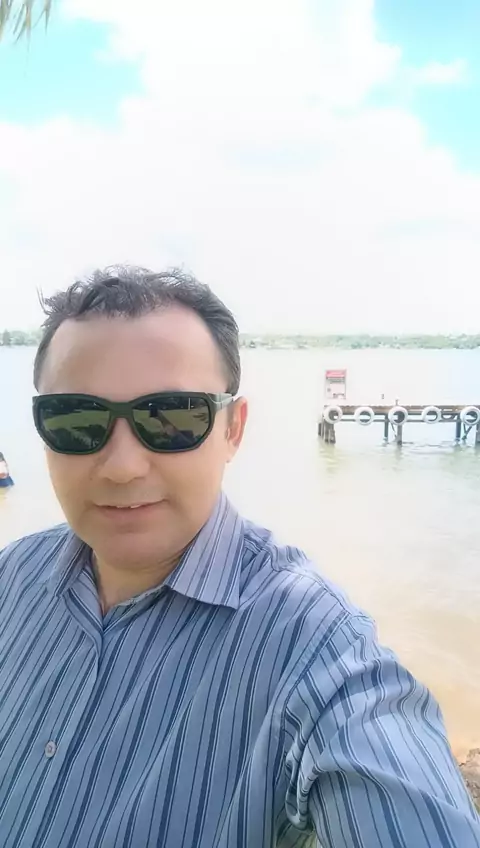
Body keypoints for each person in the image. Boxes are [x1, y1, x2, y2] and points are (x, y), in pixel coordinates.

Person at [0, 266, 478, 848]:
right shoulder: (12, 578)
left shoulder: (313, 645)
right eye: (75, 420)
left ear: (233, 428)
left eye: (174, 418)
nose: (122, 467)